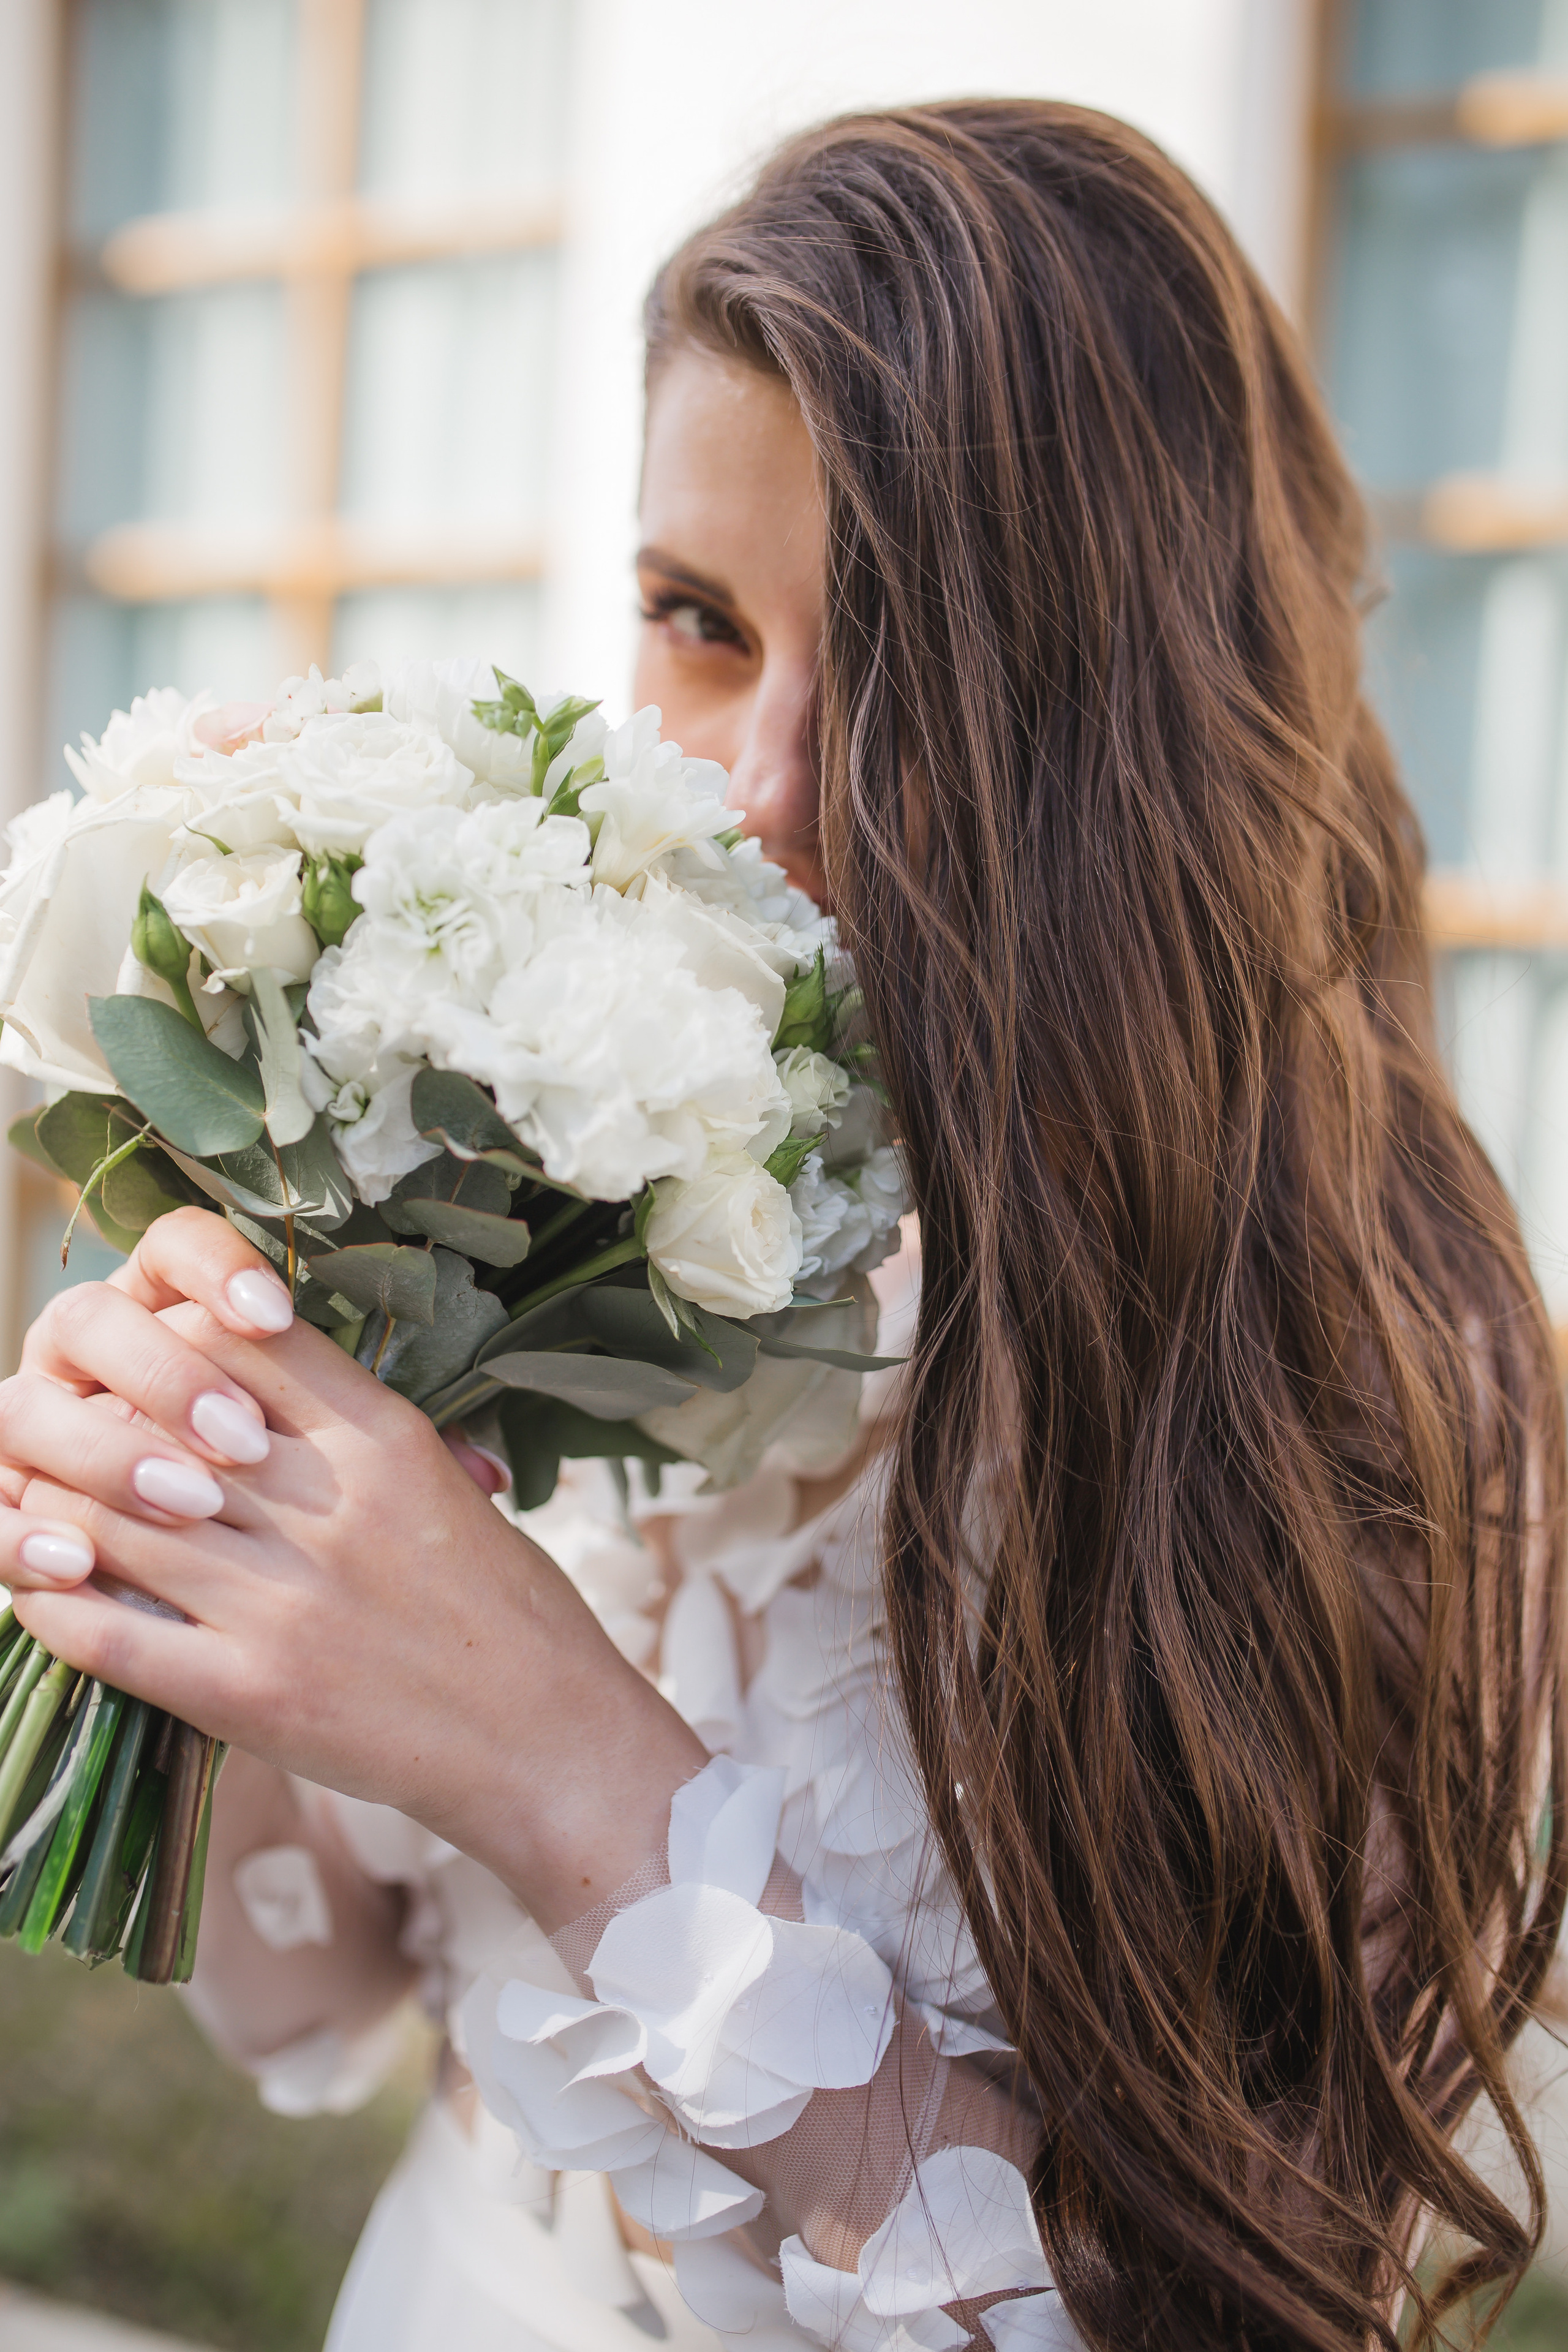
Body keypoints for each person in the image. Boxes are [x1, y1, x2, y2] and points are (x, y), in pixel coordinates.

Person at [0, 100, 1562, 2352]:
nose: (759, 785)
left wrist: (568, 1759)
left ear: (1124, 730)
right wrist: (225, 1576)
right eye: (698, 622)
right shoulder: (591, 1170)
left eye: (908, 667)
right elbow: (320, 1997)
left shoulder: (1396, 1415)